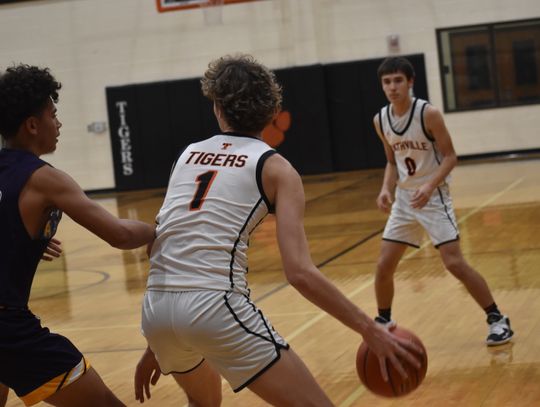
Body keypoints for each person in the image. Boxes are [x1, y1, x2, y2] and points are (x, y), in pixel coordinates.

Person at [133, 54, 423, 406]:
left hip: (156, 307)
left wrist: (160, 338)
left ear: (217, 108)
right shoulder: (276, 168)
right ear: (273, 111)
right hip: (213, 305)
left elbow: (162, 242)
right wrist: (369, 330)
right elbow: (299, 273)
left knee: (204, 402)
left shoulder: (188, 155)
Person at [0, 64, 156, 406]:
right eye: (53, 115)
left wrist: (18, 242)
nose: (58, 124)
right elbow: (118, 234)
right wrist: (157, 231)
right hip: (9, 330)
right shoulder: (44, 179)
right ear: (32, 125)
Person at [371, 56, 514, 346]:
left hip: (433, 198)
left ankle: (497, 319)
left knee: (454, 264)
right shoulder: (381, 119)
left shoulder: (428, 114)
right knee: (384, 265)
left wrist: (429, 185)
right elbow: (391, 161)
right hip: (404, 201)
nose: (392, 87)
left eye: (398, 80)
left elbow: (450, 157)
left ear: (410, 82)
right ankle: (384, 321)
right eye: (387, 82)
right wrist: (386, 189)